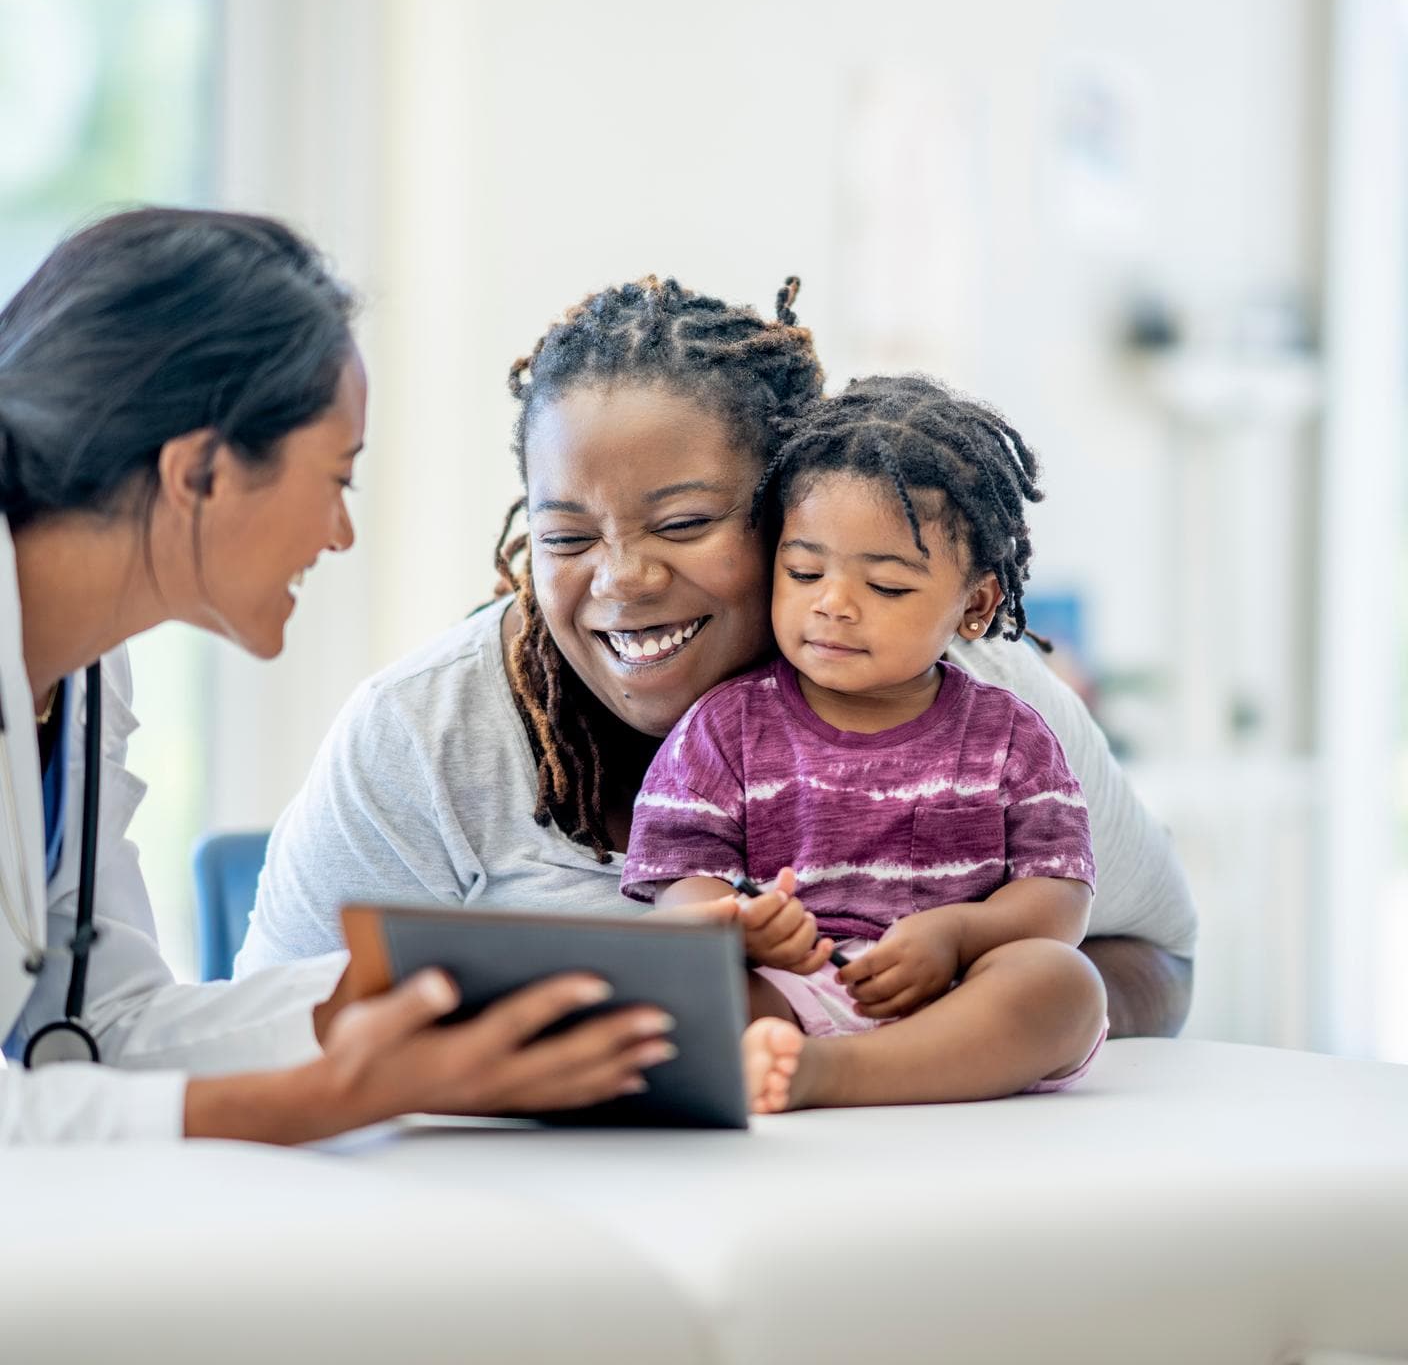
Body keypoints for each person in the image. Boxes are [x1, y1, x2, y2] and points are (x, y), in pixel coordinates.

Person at [238, 276, 1197, 1038]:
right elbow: (276, 1028)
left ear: (795, 507)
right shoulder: (421, 733)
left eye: (687, 523)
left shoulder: (972, 694)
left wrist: (919, 1024)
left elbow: (1157, 961)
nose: (620, 580)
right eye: (566, 538)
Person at [0, 209, 676, 1144]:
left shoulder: (79, 674)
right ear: (200, 473)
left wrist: (414, 989)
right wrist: (319, 1102)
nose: (338, 533)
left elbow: (94, 1030)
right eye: (339, 478)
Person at [622, 374, 1108, 1112]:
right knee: (677, 989)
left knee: (1064, 984)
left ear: (974, 605)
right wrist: (741, 927)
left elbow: (1059, 897)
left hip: (958, 999)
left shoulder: (1009, 737)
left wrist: (958, 933)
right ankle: (791, 1059)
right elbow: (680, 887)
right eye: (804, 571)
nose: (833, 604)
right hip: (788, 992)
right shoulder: (724, 730)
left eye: (885, 586)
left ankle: (835, 1076)